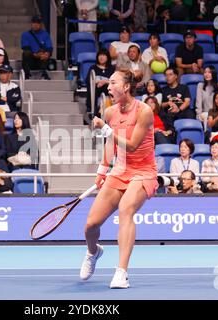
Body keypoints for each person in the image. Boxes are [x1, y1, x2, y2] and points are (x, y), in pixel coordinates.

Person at [80, 69, 158, 289]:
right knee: (90, 225)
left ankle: (121, 272)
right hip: (120, 170)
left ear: (125, 87)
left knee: (126, 209)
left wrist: (105, 129)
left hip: (143, 172)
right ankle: (93, 252)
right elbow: (110, 144)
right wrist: (102, 171)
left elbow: (132, 144)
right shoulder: (110, 112)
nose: (108, 86)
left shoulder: (144, 111)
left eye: (113, 83)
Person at [21, 15, 53, 80]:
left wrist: (47, 54)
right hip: (31, 59)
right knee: (26, 53)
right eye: (34, 22)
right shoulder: (25, 34)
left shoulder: (45, 34)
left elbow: (49, 47)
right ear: (31, 23)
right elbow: (26, 47)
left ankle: (44, 74)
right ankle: (27, 74)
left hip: (41, 58)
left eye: (38, 23)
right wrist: (35, 54)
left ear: (41, 24)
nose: (35, 24)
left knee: (46, 53)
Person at [85, 49, 115, 115]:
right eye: (100, 55)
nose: (101, 57)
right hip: (96, 90)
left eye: (104, 55)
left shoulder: (112, 68)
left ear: (107, 57)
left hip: (108, 90)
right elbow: (88, 80)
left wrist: (105, 82)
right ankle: (92, 110)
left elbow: (115, 81)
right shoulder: (93, 68)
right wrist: (96, 82)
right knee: (92, 88)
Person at [196, 66, 218, 130]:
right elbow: (198, 103)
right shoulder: (200, 85)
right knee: (206, 115)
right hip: (204, 114)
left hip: (216, 113)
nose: (206, 74)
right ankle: (207, 134)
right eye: (205, 72)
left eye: (209, 72)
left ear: (213, 74)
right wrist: (198, 115)